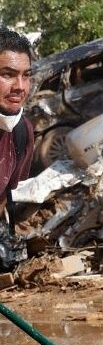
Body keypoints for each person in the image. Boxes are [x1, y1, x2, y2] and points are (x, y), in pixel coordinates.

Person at [0, 27, 34, 228]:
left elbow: (3, 195)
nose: (20, 86)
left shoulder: (21, 132)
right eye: (7, 74)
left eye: (26, 75)